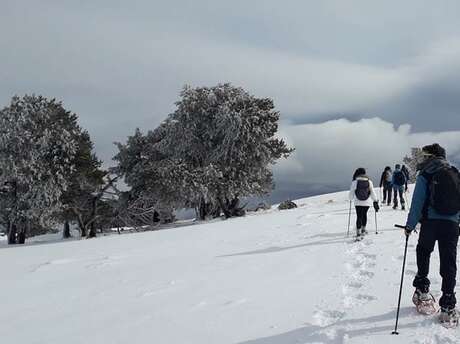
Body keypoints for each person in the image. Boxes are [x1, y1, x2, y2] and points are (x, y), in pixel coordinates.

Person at [405, 143, 460, 324]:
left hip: (430, 223)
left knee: (423, 251)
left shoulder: (426, 174)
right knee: (449, 261)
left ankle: (423, 290)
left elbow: (418, 202)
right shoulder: (455, 172)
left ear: (429, 157)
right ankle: (448, 304)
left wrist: (410, 225)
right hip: (451, 224)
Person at [349, 167, 379, 239]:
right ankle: (363, 229)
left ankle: (358, 232)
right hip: (367, 202)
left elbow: (351, 192)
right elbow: (372, 192)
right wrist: (375, 200)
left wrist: (350, 199)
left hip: (357, 202)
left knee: (359, 216)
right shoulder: (369, 181)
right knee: (364, 215)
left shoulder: (355, 182)